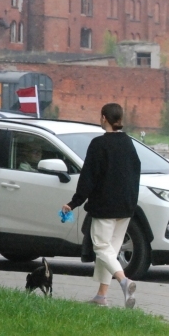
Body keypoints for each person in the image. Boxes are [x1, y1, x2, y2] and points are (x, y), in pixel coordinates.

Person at [61, 103, 141, 308]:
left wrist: (74, 202)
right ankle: (101, 297)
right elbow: (135, 174)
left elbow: (88, 178)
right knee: (110, 253)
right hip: (126, 207)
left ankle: (125, 281)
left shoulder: (99, 144)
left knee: (101, 247)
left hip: (105, 207)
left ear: (103, 117)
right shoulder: (129, 143)